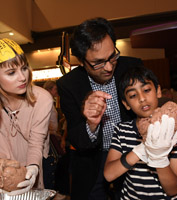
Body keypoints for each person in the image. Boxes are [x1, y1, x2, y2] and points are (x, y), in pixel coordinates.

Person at [56, 17, 143, 200]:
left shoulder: (132, 66)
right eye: (98, 62)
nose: (109, 67)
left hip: (133, 154)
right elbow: (76, 137)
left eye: (112, 57)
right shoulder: (68, 85)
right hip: (93, 162)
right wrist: (91, 124)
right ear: (81, 61)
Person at [0, 38, 53, 195]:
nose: (23, 77)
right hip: (6, 169)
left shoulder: (43, 98)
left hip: (35, 163)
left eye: (24, 68)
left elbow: (36, 142)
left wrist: (32, 168)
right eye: (11, 72)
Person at [104, 65, 177, 199]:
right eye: (133, 95)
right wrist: (142, 149)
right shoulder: (122, 130)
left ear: (158, 91)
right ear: (126, 104)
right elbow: (109, 174)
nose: (142, 98)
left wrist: (159, 158)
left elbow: (172, 189)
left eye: (146, 90)